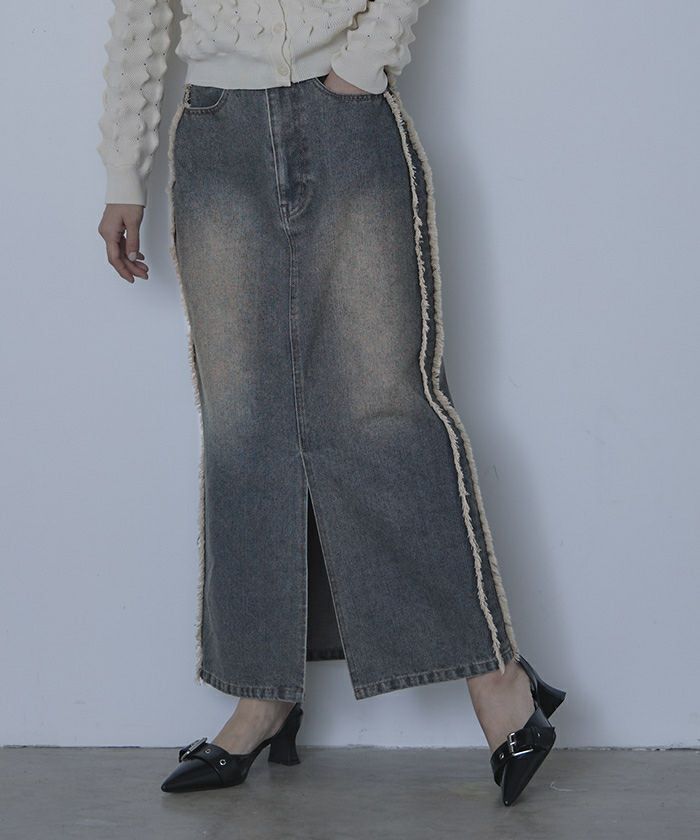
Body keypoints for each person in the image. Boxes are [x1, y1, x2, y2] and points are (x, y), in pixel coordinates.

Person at [97, 1, 566, 806]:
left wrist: (361, 65)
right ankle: (263, 696)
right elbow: (138, 18)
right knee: (246, 426)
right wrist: (121, 175)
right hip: (218, 133)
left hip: (346, 115)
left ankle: (499, 680)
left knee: (386, 412)